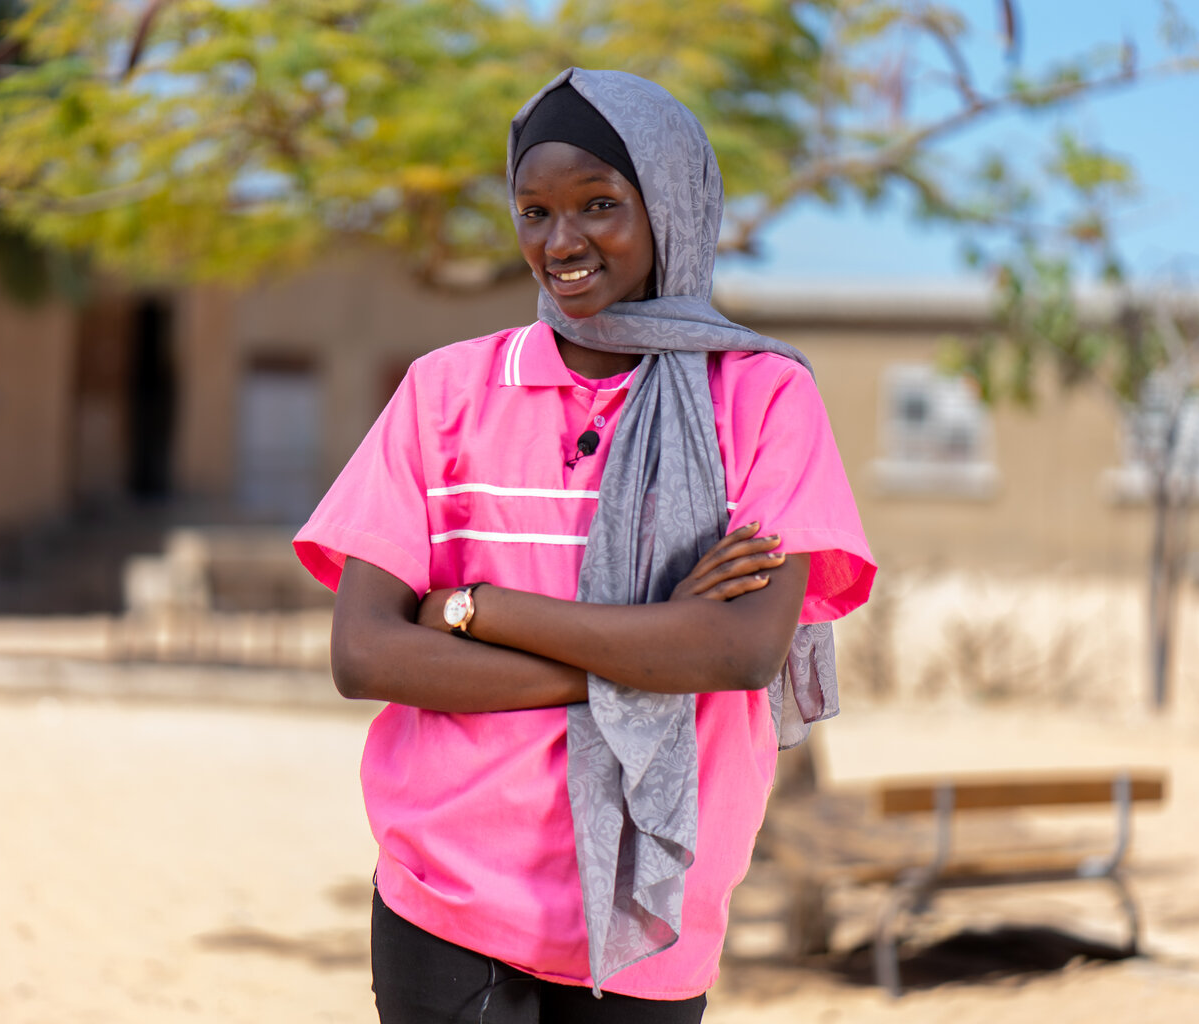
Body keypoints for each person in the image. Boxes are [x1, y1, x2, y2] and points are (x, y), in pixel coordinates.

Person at [294, 68, 875, 1023]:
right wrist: (651, 654)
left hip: (658, 902)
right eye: (534, 211)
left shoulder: (764, 398)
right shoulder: (446, 392)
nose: (561, 243)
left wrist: (482, 614)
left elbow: (739, 650)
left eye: (599, 205)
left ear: (673, 204)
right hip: (450, 888)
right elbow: (363, 654)